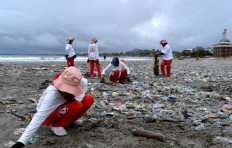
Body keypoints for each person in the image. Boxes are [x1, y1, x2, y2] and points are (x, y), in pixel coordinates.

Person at [11, 67, 94, 148]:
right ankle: (57, 126)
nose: (69, 91)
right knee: (77, 105)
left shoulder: (81, 81)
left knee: (88, 99)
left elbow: (81, 93)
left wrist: (73, 102)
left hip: (65, 107)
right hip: (49, 114)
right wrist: (21, 142)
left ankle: (70, 120)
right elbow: (39, 116)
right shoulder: (53, 93)